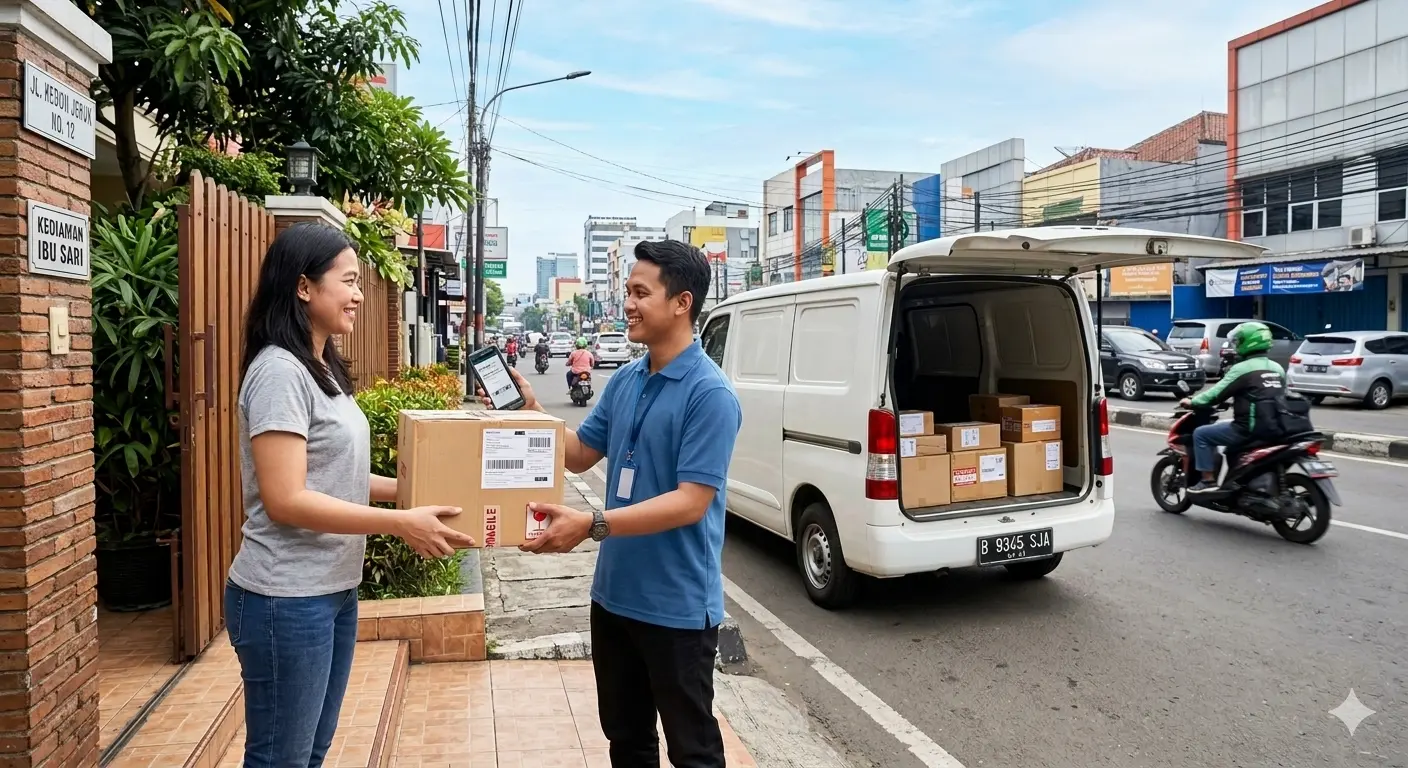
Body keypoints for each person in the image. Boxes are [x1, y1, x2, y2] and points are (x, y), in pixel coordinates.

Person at [485, 239, 741, 767]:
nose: (628, 303)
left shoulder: (709, 394)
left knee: (693, 750)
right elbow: (579, 455)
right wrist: (533, 414)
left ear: (681, 302)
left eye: (640, 292)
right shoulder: (625, 379)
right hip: (614, 599)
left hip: (677, 608)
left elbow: (691, 502)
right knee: (627, 741)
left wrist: (591, 523)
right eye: (627, 290)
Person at [231, 222, 476, 766]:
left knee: (311, 751)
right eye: (347, 281)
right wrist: (399, 523)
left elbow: (332, 474)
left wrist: (416, 495)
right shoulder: (278, 372)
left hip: (331, 591)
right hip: (285, 598)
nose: (360, 293)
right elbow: (287, 499)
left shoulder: (321, 368)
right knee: (281, 759)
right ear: (303, 288)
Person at [1178, 321, 1286, 494]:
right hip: (1276, 427)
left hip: (1248, 429)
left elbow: (1215, 393)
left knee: (1201, 434)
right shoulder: (1278, 369)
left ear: (1248, 342)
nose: (1236, 346)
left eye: (1238, 341)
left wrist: (1192, 401)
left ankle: (1207, 480)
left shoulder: (1242, 369)